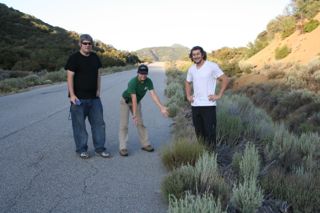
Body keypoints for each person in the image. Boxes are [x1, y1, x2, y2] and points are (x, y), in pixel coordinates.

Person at [65, 34, 110, 159]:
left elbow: (98, 74)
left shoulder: (95, 57)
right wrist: (72, 95)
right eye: (85, 43)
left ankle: (100, 149)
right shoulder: (74, 58)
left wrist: (98, 90)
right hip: (78, 99)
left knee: (99, 124)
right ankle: (82, 149)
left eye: (89, 43)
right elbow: (69, 77)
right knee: (79, 126)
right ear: (80, 44)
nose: (87, 45)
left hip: (94, 99)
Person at [119, 64, 168, 156]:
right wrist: (134, 115)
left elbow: (153, 94)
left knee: (140, 123)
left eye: (145, 73)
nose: (143, 75)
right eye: (141, 73)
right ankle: (123, 147)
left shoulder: (148, 81)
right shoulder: (133, 82)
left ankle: (145, 144)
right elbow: (133, 98)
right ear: (138, 73)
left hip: (136, 103)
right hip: (125, 102)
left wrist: (161, 107)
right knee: (124, 125)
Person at [185, 46, 229, 149]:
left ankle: (211, 157)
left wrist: (219, 95)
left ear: (202, 54)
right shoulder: (191, 69)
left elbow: (225, 79)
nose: (196, 56)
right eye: (193, 54)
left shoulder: (211, 66)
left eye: (198, 54)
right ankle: (203, 154)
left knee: (210, 133)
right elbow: (187, 82)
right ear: (191, 56)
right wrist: (188, 96)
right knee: (199, 133)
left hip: (208, 105)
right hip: (195, 105)